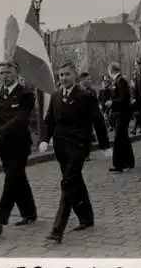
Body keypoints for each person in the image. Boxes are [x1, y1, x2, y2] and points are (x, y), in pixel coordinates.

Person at [38, 62, 111, 243]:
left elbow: (98, 121)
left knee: (67, 183)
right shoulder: (55, 96)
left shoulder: (85, 96)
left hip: (78, 146)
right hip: (61, 147)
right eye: (61, 75)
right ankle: (86, 217)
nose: (64, 78)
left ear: (75, 75)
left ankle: (57, 228)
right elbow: (49, 121)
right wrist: (44, 140)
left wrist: (104, 146)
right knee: (75, 181)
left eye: (67, 74)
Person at [0, 62, 38, 236]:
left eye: (8, 72)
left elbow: (19, 120)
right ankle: (29, 212)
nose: (4, 76)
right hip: (5, 146)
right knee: (19, 179)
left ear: (17, 73)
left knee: (11, 180)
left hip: (20, 145)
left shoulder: (26, 94)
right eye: (2, 73)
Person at [106, 62, 135, 172]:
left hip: (122, 114)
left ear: (111, 70)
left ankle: (119, 164)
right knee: (123, 138)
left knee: (119, 139)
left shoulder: (120, 81)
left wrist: (112, 103)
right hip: (119, 113)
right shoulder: (117, 81)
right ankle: (128, 162)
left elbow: (123, 98)